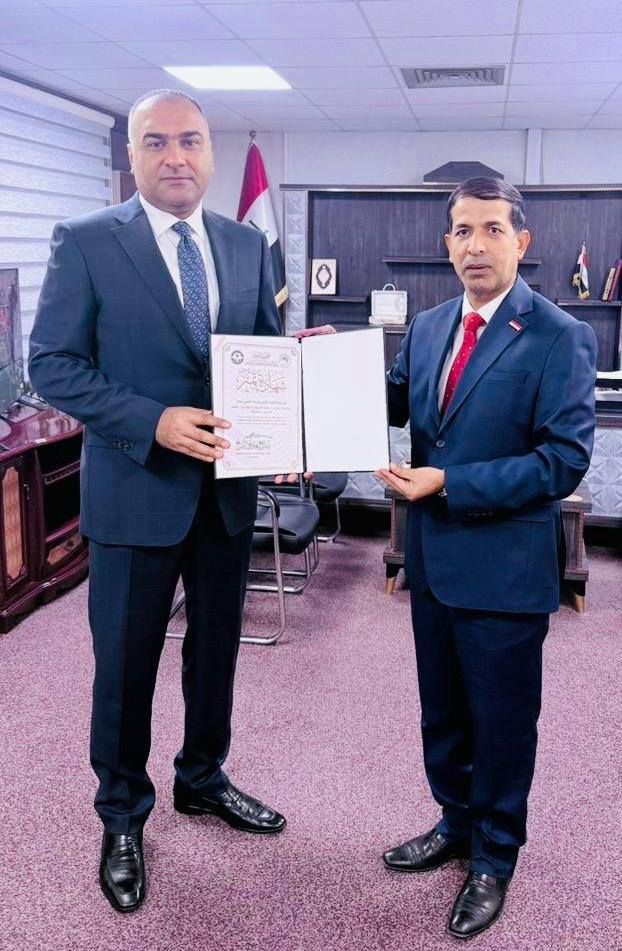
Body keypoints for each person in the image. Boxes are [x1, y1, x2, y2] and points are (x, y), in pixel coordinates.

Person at [29, 89, 286, 914]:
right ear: (132, 155)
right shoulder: (86, 241)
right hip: (136, 491)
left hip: (226, 492)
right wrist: (154, 421)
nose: (176, 156)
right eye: (157, 142)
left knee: (216, 653)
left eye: (191, 140)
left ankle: (202, 777)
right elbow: (52, 364)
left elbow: (260, 351)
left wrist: (295, 394)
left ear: (210, 151)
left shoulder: (246, 243)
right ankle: (121, 815)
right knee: (126, 663)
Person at [377, 177, 596, 939]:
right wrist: (322, 373)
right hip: (434, 562)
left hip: (504, 568)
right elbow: (392, 402)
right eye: (463, 231)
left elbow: (562, 461)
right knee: (442, 709)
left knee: (501, 721)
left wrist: (450, 482)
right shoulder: (429, 325)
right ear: (448, 244)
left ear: (521, 241)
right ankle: (455, 822)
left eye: (492, 230)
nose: (476, 245)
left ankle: (495, 856)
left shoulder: (559, 335)